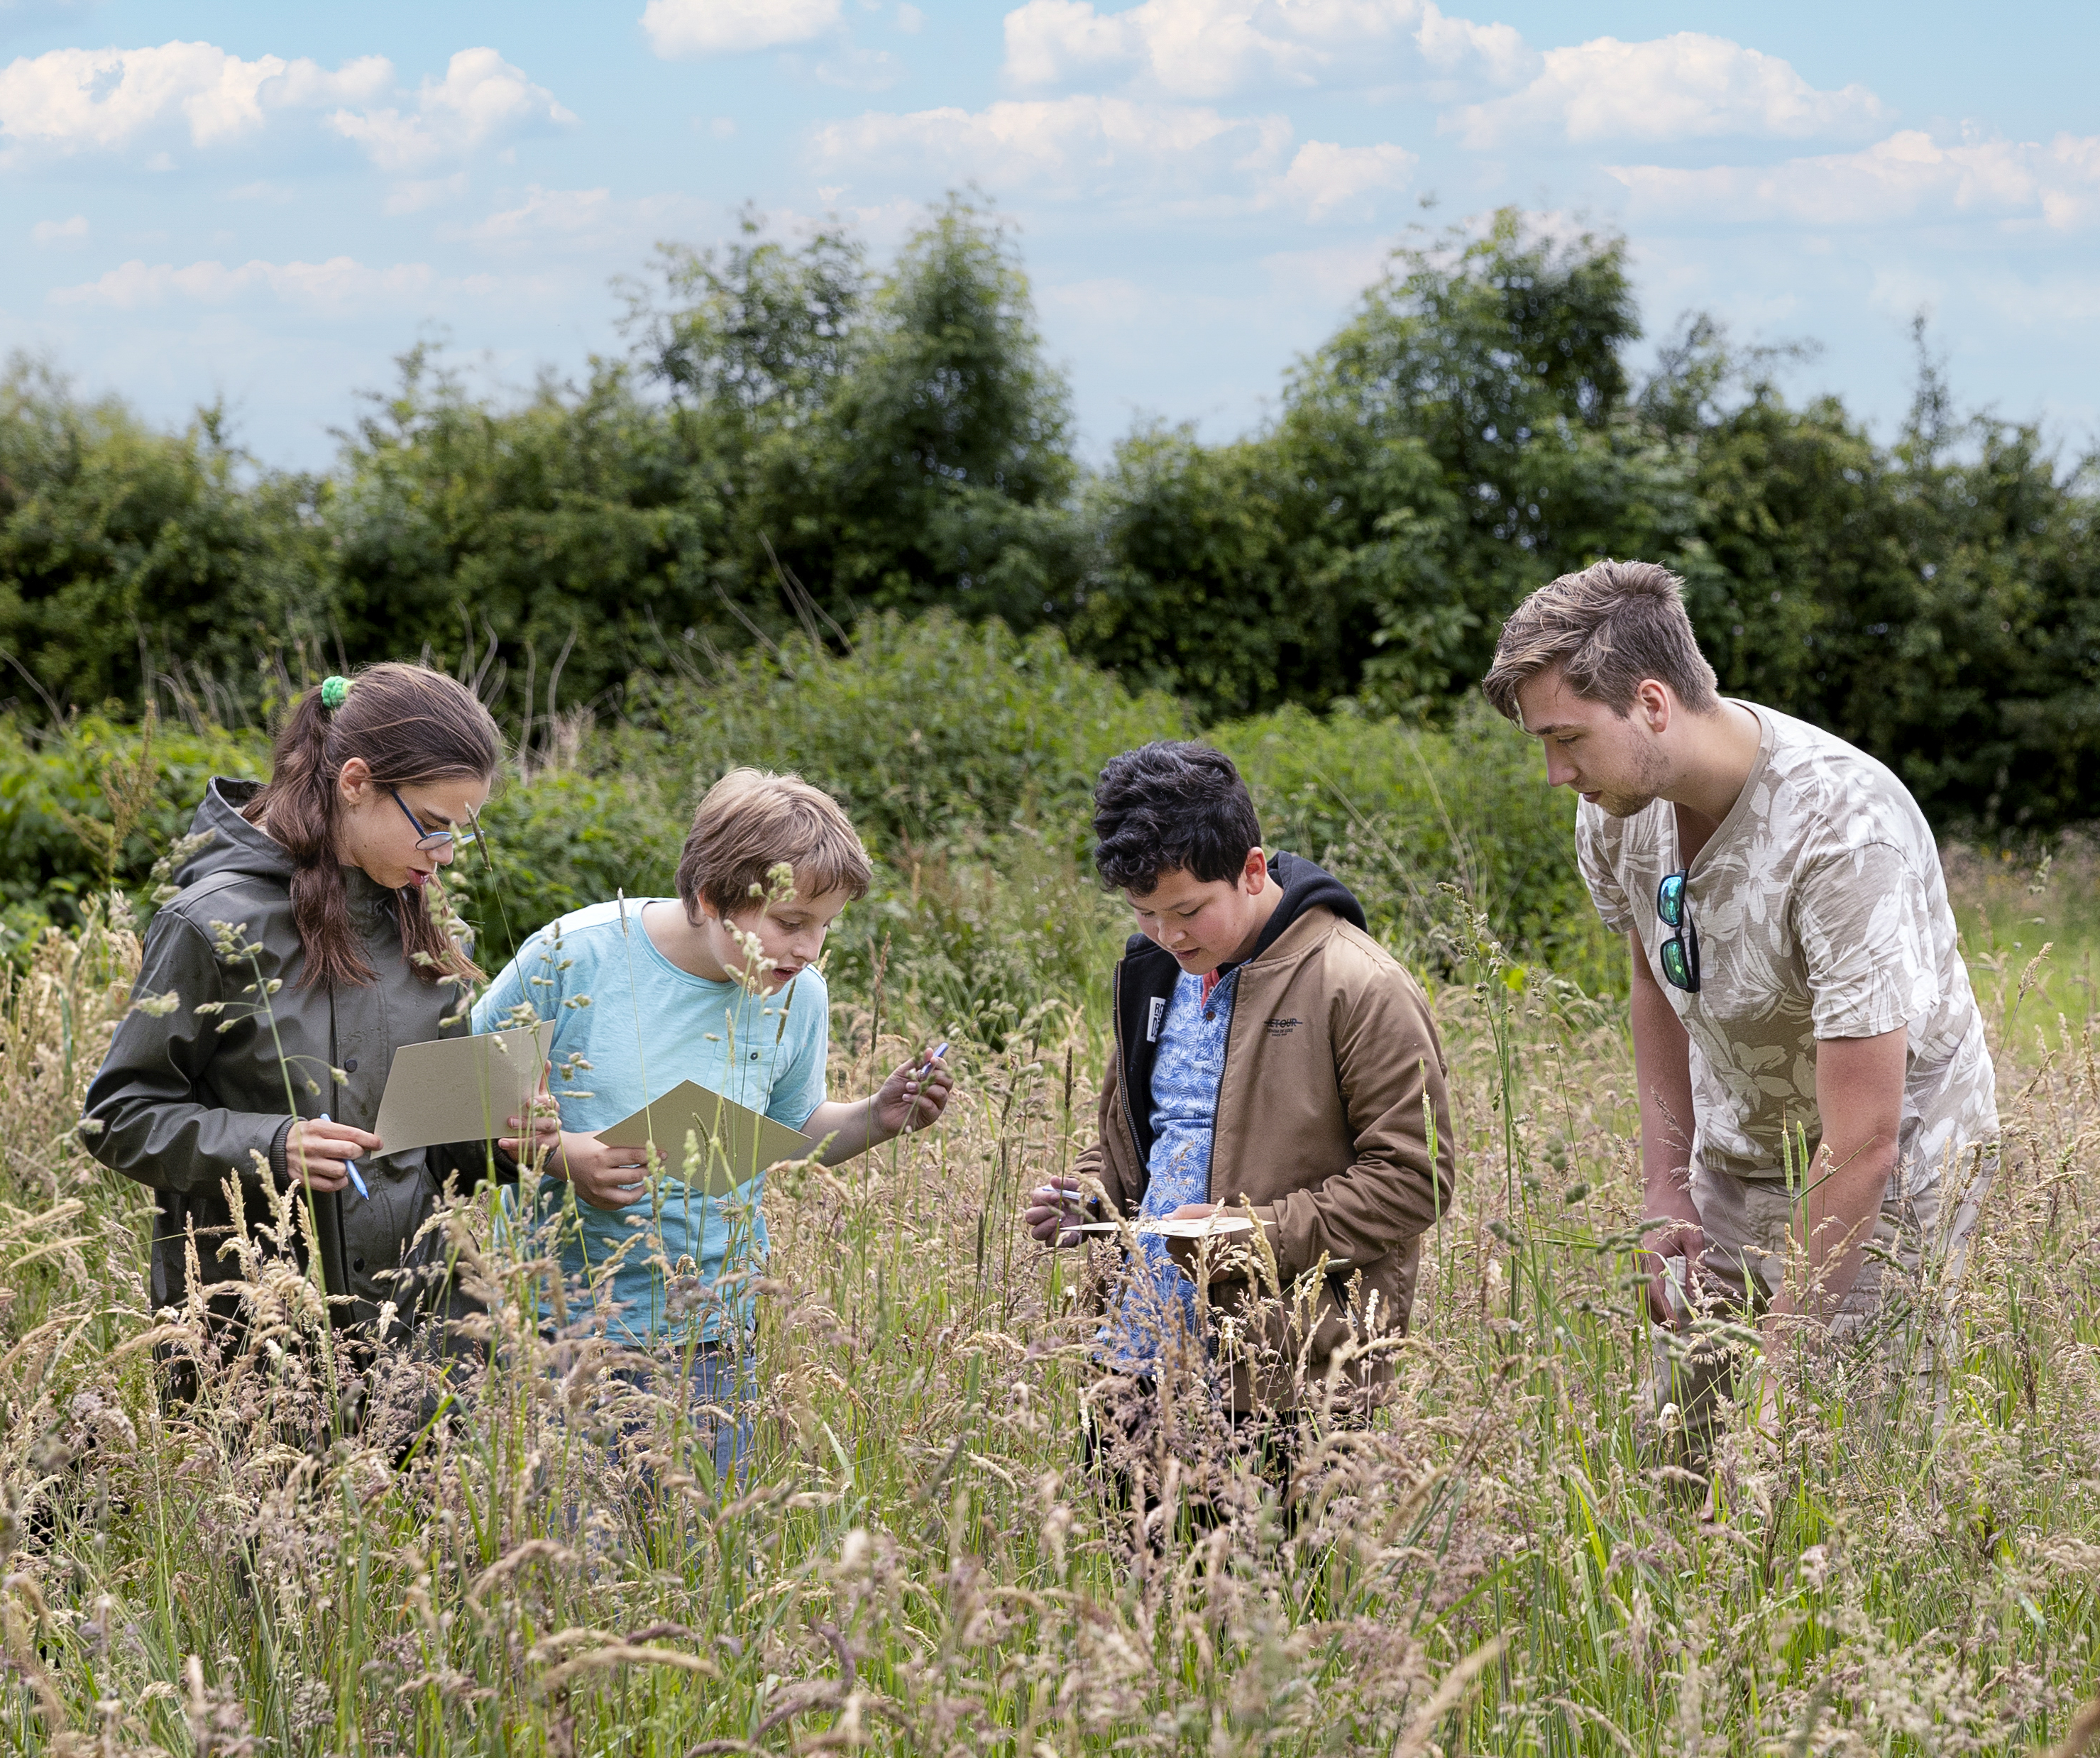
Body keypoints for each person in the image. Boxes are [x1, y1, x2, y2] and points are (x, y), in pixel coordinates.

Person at [1481, 559, 1999, 1448]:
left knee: (1829, 1455)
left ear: (1651, 703)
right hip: (1739, 1140)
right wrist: (1666, 1187)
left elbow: (1865, 1139)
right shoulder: (1617, 807)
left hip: (1889, 1165)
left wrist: (1781, 1368)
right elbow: (1653, 980)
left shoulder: (1842, 833)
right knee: (1683, 1444)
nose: (1555, 772)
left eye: (1566, 738)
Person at [470, 768, 954, 1488]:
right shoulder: (576, 953)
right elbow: (463, 1097)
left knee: (696, 1549)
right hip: (558, 1324)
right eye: (791, 922)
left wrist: (875, 1118)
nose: (809, 949)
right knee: (568, 1547)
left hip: (711, 1334)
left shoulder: (797, 995)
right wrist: (563, 1155)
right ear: (708, 897)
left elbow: (791, 1130)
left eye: (825, 926)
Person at [1021, 742, 1454, 1537]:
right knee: (1129, 1599)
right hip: (1134, 1360)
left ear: (1253, 870)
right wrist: (1088, 1197)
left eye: (1188, 911)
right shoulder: (1151, 972)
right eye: (1144, 912)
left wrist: (1251, 1238)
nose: (1166, 933)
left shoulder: (1358, 984)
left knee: (1276, 1605)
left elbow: (1414, 1178)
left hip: (1285, 1381)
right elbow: (1131, 1141)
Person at [84, 664, 504, 1395]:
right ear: (355, 782)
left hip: (423, 1341)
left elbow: (440, 1146)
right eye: (433, 826)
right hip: (256, 1345)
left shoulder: (429, 923)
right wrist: (273, 1145)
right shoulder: (210, 922)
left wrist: (510, 1135)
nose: (442, 856)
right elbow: (118, 1117)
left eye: (458, 835)